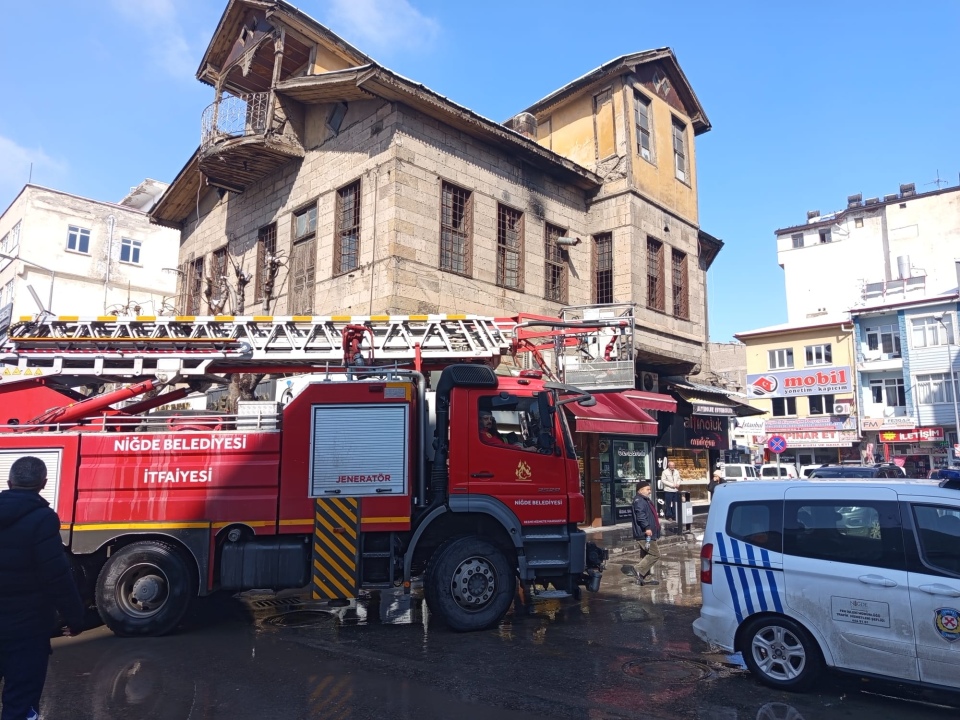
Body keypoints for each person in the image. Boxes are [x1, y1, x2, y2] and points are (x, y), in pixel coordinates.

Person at [0, 456, 85, 720]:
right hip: (26, 632)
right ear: (43, 484)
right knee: (20, 703)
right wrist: (75, 617)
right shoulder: (43, 519)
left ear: (9, 481)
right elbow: (56, 575)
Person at [631, 481, 661, 586]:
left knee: (645, 555)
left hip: (648, 532)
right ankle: (637, 569)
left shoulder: (645, 500)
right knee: (655, 554)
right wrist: (647, 527)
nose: (649, 492)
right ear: (641, 490)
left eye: (650, 489)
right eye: (647, 489)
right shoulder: (639, 500)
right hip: (644, 533)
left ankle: (643, 578)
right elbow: (641, 516)